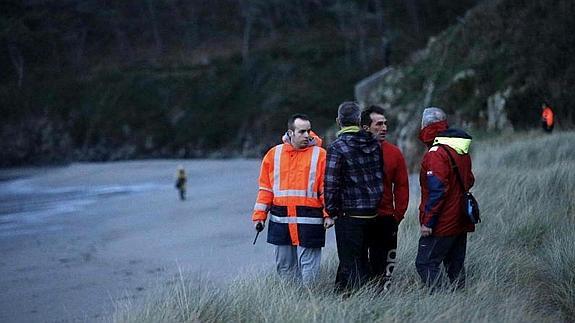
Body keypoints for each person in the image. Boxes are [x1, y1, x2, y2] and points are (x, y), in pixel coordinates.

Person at [252, 114, 334, 286]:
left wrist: (328, 214)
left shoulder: (320, 155)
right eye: (302, 131)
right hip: (281, 222)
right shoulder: (273, 155)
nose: (307, 135)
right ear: (290, 133)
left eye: (308, 131)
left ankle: (311, 305)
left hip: (310, 221)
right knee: (285, 268)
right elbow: (265, 189)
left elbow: (326, 189)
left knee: (310, 270)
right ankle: (292, 305)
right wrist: (259, 217)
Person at [324, 101, 384, 291]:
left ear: (338, 121)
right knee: (362, 258)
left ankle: (362, 300)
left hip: (349, 214)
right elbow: (379, 175)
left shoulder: (337, 147)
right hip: (372, 212)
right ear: (359, 120)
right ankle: (340, 295)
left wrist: (331, 210)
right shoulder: (374, 143)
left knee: (350, 261)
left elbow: (331, 183)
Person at [415, 107, 476, 290]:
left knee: (425, 263)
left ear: (426, 126)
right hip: (461, 218)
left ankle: (441, 300)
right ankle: (460, 303)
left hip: (443, 221)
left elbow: (438, 190)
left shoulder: (436, 154)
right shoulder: (458, 149)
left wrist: (428, 222)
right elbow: (470, 180)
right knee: (455, 266)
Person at [360, 105, 409, 290]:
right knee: (361, 264)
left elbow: (402, 185)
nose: (384, 128)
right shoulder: (356, 151)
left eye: (385, 124)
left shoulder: (394, 153)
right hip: (360, 217)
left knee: (384, 268)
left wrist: (398, 215)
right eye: (379, 124)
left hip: (386, 218)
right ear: (366, 127)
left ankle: (382, 299)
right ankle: (361, 299)